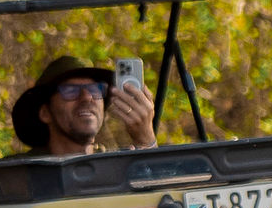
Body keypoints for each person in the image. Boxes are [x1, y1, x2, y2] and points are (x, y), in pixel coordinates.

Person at [11, 53, 160, 159]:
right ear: (45, 113)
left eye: (95, 89)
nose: (87, 97)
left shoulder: (117, 168)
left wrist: (146, 141)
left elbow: (157, 190)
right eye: (71, 91)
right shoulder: (19, 173)